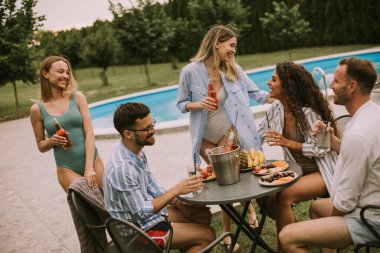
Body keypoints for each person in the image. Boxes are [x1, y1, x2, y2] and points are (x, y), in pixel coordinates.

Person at [176, 24, 271, 252]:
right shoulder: (190, 72)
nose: (233, 51)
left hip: (228, 131)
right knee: (223, 181)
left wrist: (283, 95)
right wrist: (198, 104)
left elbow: (256, 94)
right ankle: (247, 211)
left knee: (226, 181)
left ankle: (228, 234)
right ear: (216, 43)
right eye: (231, 45)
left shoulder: (233, 69)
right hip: (203, 138)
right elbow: (181, 104)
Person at [279, 57, 380, 252]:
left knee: (287, 236)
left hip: (369, 216)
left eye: (336, 81)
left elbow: (345, 201)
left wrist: (330, 224)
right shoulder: (372, 114)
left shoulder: (358, 133)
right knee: (316, 208)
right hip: (369, 203)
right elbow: (364, 153)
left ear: (351, 87)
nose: (331, 85)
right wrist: (333, 143)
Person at [103, 102, 216, 253]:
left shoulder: (136, 153)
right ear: (128, 134)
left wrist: (179, 204)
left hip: (146, 221)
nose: (153, 130)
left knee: (202, 216)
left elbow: (152, 186)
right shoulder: (122, 169)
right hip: (137, 233)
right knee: (207, 235)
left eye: (152, 124)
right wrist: (177, 190)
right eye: (147, 128)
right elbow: (141, 212)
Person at [257, 61, 338, 252]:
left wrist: (288, 143)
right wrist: (233, 143)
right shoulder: (276, 108)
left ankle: (286, 246)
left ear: (287, 85)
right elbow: (256, 134)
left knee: (284, 195)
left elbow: (323, 148)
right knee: (266, 196)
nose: (268, 83)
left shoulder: (309, 111)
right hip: (298, 171)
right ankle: (298, 238)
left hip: (324, 170)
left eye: (273, 79)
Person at [30, 56, 103, 192]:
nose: (65, 76)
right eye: (60, 71)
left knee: (109, 206)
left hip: (93, 161)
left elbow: (89, 132)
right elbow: (41, 145)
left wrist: (89, 168)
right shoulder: (37, 109)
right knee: (86, 210)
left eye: (67, 72)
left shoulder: (77, 97)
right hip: (66, 169)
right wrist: (52, 141)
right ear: (45, 74)